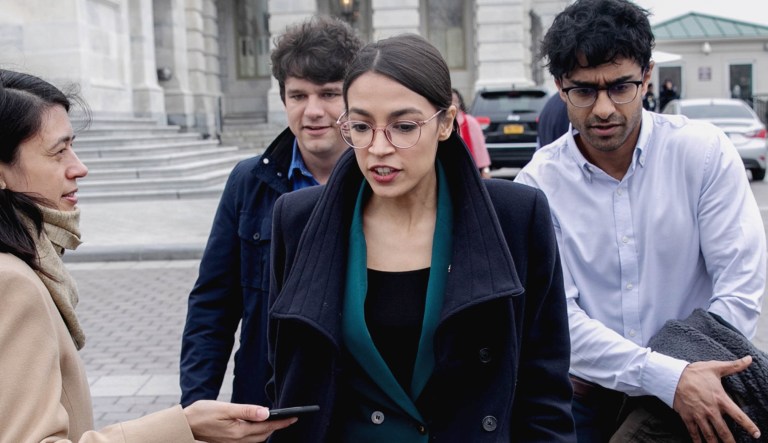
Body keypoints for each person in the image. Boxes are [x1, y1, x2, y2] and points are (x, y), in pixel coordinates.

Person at [267, 33, 575, 442]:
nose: (378, 147)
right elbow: (283, 378)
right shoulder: (298, 219)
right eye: (360, 126)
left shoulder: (517, 216)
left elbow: (544, 391)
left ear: (446, 122)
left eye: (404, 126)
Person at [514, 1, 766, 442]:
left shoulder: (701, 153)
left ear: (647, 76)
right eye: (585, 90)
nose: (604, 108)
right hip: (583, 396)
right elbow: (558, 317)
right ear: (560, 87)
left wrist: (688, 373)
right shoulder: (537, 184)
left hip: (701, 382)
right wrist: (662, 376)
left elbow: (740, 289)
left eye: (620, 86)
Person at [0, 69, 293, 442]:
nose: (79, 167)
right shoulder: (11, 282)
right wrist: (182, 427)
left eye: (73, 147)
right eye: (59, 152)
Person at [180, 16, 363, 408]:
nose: (312, 111)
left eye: (329, 94)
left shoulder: (383, 180)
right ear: (283, 100)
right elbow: (213, 303)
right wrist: (196, 405)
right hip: (269, 398)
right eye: (298, 96)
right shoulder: (249, 182)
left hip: (360, 402)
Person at [451, 88, 492, 178]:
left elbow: (480, 150)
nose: (453, 105)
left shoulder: (470, 122)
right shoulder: (438, 123)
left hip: (468, 173)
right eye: (450, 101)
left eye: (456, 101)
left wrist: (485, 170)